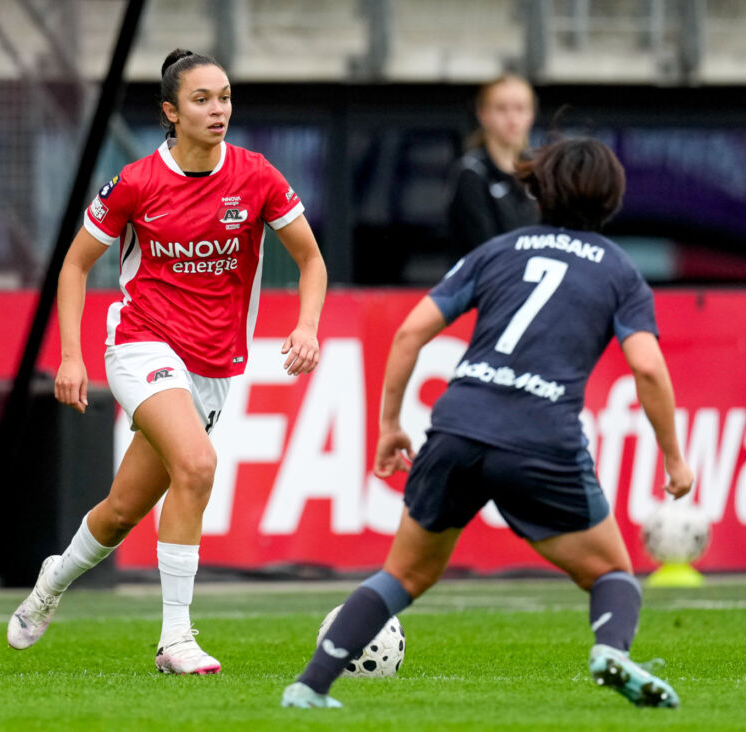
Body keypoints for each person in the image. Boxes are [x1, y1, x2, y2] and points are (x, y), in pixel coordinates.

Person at [282, 137, 693, 709]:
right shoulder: (620, 272)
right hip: (539, 436)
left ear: (538, 190)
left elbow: (409, 333)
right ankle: (611, 652)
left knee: (402, 576)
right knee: (611, 573)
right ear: (611, 199)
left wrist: (389, 425)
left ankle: (309, 687)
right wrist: (673, 457)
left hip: (458, 425)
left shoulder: (500, 250)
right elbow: (647, 367)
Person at [6, 48, 327, 675]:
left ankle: (52, 580)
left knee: (121, 511)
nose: (218, 110)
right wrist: (71, 357)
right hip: (141, 343)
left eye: (225, 97)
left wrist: (307, 325)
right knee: (199, 464)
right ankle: (175, 639)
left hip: (215, 366)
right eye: (202, 99)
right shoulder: (136, 183)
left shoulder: (257, 176)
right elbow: (74, 265)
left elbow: (311, 259)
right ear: (170, 113)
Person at [446, 74, 540, 260]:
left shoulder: (539, 171)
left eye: (520, 109)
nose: (512, 119)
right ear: (482, 114)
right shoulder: (471, 173)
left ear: (532, 114)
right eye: (501, 109)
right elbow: (483, 248)